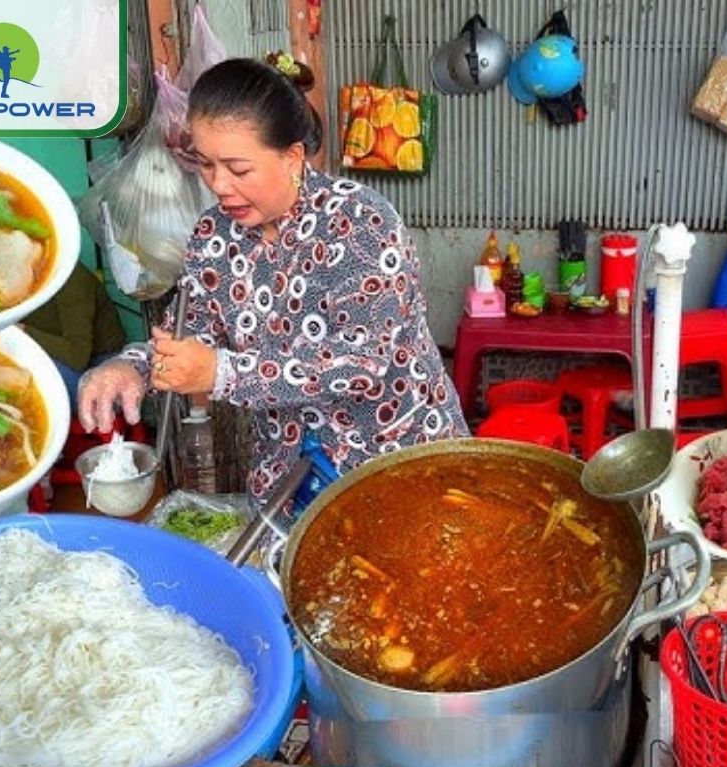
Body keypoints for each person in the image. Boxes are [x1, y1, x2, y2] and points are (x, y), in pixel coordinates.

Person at [77, 57, 468, 505]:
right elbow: (191, 331)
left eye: (238, 169)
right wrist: (135, 367)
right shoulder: (214, 234)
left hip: (393, 462)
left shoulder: (360, 223)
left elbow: (363, 362)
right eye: (205, 164)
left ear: (292, 157)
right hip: (288, 468)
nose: (219, 185)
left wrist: (220, 372)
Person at [22, 262, 127, 412]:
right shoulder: (7, 281)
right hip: (62, 352)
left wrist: (24, 331)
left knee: (27, 366)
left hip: (101, 364)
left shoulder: (70, 279)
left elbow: (78, 355)